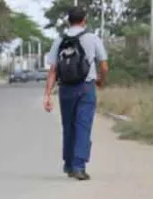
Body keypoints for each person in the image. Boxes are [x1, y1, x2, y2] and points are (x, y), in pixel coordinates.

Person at [43, 7, 108, 181]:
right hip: (86, 87)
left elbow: (52, 70)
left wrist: (47, 96)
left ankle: (69, 164)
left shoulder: (59, 40)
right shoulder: (93, 38)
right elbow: (103, 65)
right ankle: (79, 166)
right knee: (83, 126)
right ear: (84, 20)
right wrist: (101, 80)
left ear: (68, 21)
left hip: (66, 89)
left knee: (69, 126)